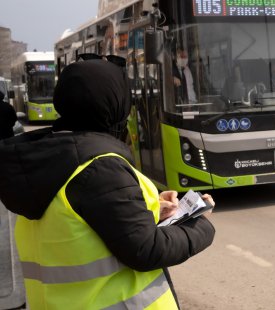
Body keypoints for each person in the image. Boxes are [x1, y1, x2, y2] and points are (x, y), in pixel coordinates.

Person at [0, 59, 216, 309]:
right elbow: (147, 250)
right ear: (114, 103)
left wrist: (152, 208)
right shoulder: (99, 167)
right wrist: (200, 224)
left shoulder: (45, 159)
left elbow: (79, 225)